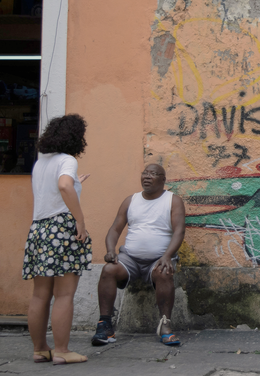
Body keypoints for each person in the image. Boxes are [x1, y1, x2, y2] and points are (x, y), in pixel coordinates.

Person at [91, 164, 186, 347]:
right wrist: (110, 250)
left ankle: (165, 325)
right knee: (109, 270)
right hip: (130, 259)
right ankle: (105, 325)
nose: (147, 177)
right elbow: (114, 229)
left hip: (159, 258)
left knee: (164, 272)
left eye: (153, 174)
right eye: (145, 173)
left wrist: (167, 256)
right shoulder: (131, 200)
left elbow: (179, 231)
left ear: (163, 179)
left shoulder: (173, 201)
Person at [22, 114, 91, 365]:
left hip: (39, 229)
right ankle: (62, 350)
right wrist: (80, 220)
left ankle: (41, 349)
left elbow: (57, 188)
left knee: (40, 294)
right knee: (64, 294)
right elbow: (63, 186)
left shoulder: (41, 162)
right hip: (61, 228)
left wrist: (76, 183)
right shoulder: (67, 160)